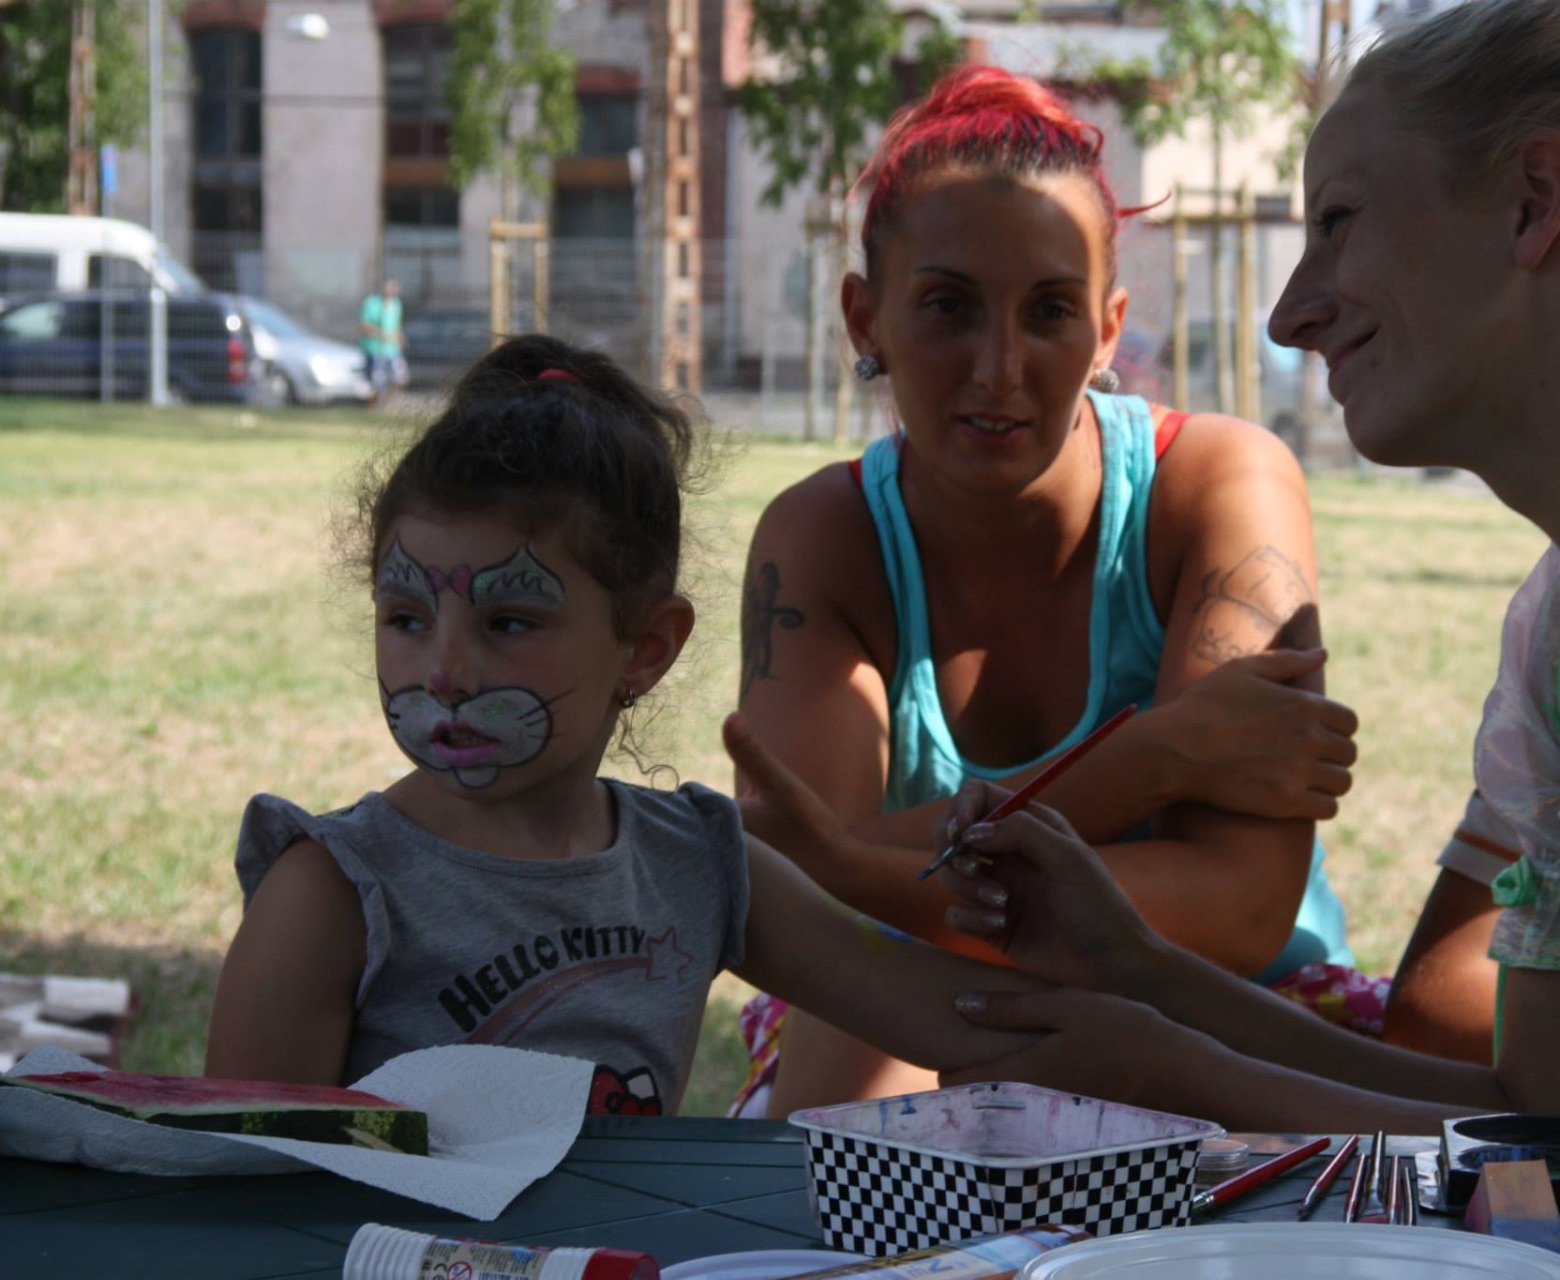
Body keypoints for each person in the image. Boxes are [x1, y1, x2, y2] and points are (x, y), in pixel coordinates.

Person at [926, 0, 1560, 1146]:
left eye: (1339, 222)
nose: (1293, 314)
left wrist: (1180, 1068)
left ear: (1534, 203)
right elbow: (1535, 1113)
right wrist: (1139, 971)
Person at [729, 65, 1367, 1116]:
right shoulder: (825, 537)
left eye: (1050, 311)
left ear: (1109, 330)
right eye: (948, 306)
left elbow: (1243, 911)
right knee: (850, 1070)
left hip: (1225, 1015)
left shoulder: (1217, 485)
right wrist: (1159, 755)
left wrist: (874, 867)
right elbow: (811, 909)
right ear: (864, 317)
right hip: (917, 1002)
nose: (998, 367)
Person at [202, 334, 1059, 1112]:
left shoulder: (696, 865)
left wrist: (1105, 958)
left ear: (647, 648)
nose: (444, 672)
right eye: (405, 618)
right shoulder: (333, 896)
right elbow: (235, 1188)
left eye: (509, 621)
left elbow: (970, 1020)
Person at [359, 279, 406, 407]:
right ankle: (372, 407)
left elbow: (395, 326)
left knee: (400, 378)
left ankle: (388, 404)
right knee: (376, 383)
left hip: (392, 349)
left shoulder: (396, 304)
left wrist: (400, 337)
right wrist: (381, 335)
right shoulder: (371, 303)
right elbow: (364, 326)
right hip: (375, 349)